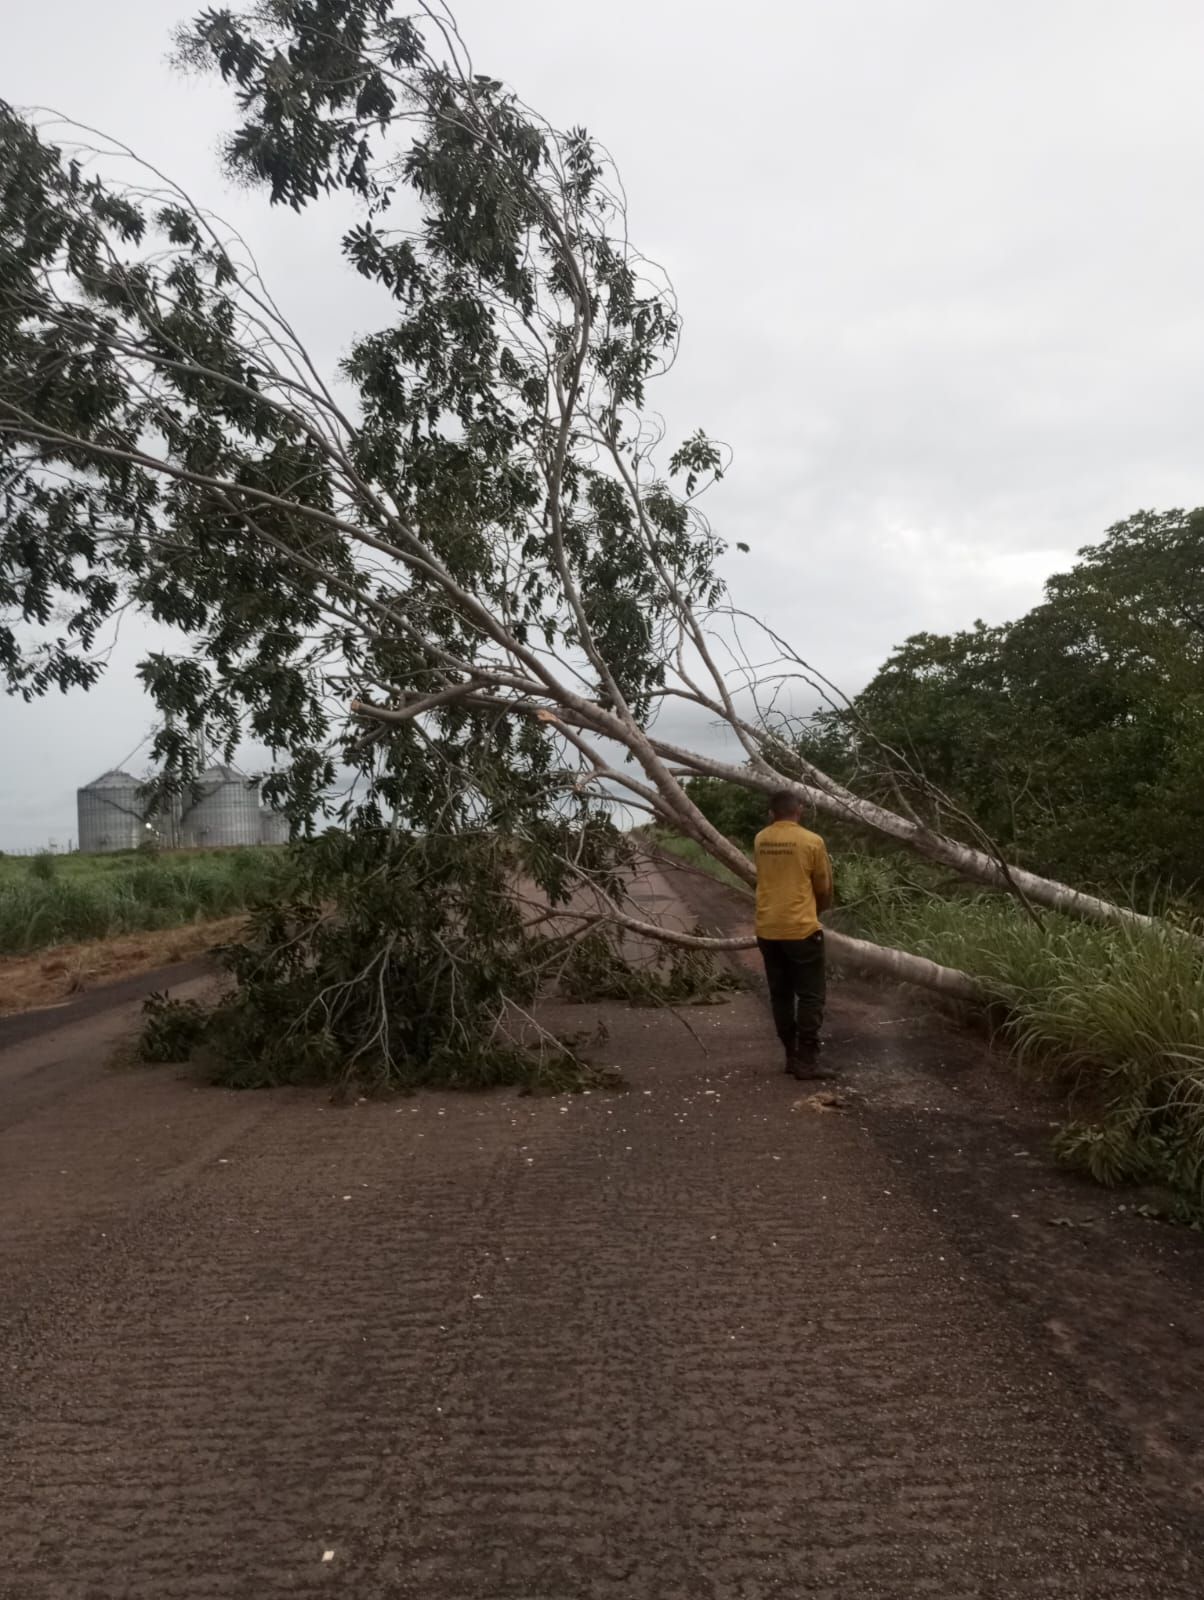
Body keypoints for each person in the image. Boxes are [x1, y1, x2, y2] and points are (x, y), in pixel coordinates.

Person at [754, 791, 835, 1080]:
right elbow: (823, 886)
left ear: (771, 813)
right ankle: (808, 1060)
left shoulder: (761, 839)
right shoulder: (812, 841)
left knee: (781, 995)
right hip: (801, 928)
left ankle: (791, 1056)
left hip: (767, 929)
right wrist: (818, 911)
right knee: (811, 995)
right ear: (799, 810)